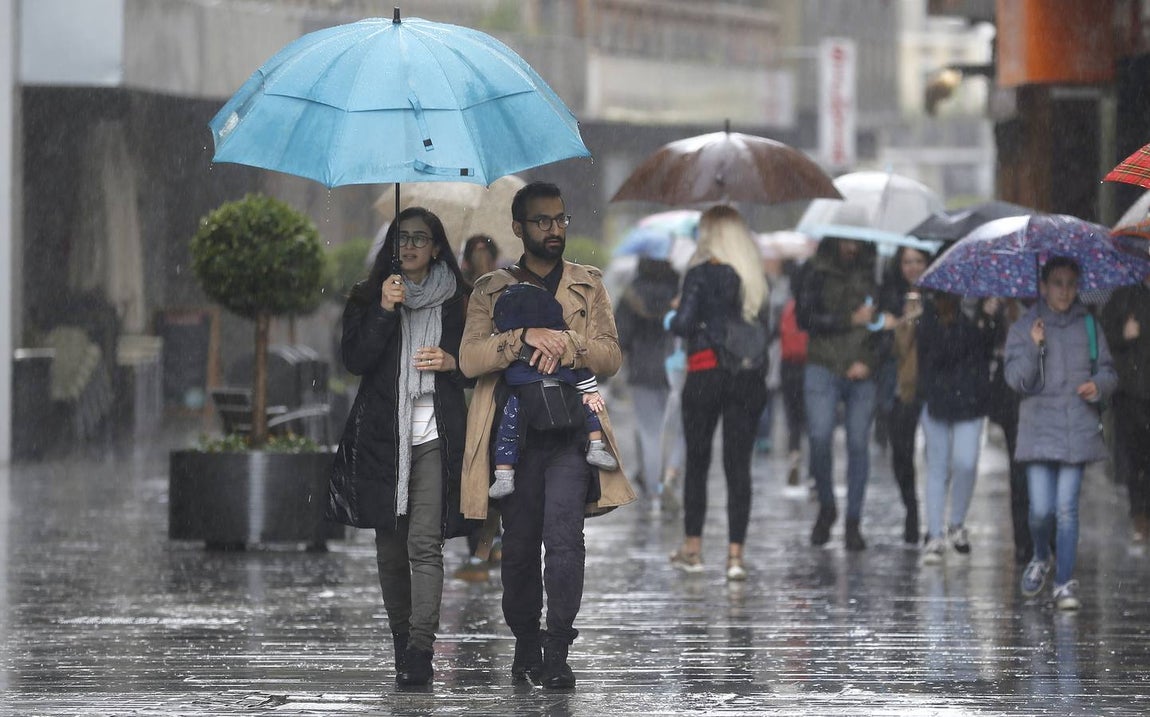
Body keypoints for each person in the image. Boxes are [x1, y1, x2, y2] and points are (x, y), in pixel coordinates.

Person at [458, 181, 635, 690]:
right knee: (517, 548)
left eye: (561, 219)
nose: (554, 229)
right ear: (518, 228)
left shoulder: (588, 284)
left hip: (571, 435)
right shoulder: (490, 289)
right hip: (512, 440)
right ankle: (525, 640)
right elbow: (469, 360)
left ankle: (557, 647)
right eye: (542, 221)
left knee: (564, 541)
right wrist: (521, 338)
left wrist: (567, 343)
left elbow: (610, 356)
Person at [327, 207, 474, 686]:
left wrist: (453, 362)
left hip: (436, 435)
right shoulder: (368, 295)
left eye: (419, 238)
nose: (409, 246)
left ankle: (420, 650)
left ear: (436, 247)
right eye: (401, 238)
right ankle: (401, 638)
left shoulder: (460, 300)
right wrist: (383, 311)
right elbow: (355, 359)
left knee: (424, 544)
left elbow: (477, 362)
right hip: (383, 439)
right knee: (390, 551)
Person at [1006, 257, 1117, 610]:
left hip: (1077, 429)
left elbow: (1109, 372)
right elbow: (1017, 381)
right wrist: (1034, 345)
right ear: (1043, 286)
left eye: (1071, 283)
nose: (1065, 291)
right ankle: (1040, 555)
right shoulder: (1024, 326)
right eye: (1057, 283)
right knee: (1041, 510)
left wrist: (1098, 385)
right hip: (1038, 429)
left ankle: (1064, 582)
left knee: (1067, 509)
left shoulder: (1089, 326)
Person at [666, 205, 770, 581]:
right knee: (738, 467)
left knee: (698, 463)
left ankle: (693, 549)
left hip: (705, 372)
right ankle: (735, 556)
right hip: (746, 378)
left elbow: (683, 325)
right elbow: (765, 330)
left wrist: (676, 311)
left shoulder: (701, 273)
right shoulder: (754, 276)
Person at [797, 234, 893, 550]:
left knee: (857, 443)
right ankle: (827, 505)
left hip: (862, 370)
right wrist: (847, 319)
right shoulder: (815, 269)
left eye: (856, 242)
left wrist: (870, 361)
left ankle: (853, 520)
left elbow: (888, 326)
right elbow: (804, 317)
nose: (851, 248)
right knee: (819, 436)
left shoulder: (878, 271)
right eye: (845, 242)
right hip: (823, 363)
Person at [488, 281, 618, 499]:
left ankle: (596, 447)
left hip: (560, 412)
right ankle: (504, 475)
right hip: (525, 402)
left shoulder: (588, 289)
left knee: (585, 407)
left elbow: (607, 360)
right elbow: (476, 356)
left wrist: (588, 389)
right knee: (509, 429)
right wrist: (521, 336)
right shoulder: (494, 294)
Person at [916, 292, 997, 564]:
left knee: (966, 462)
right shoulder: (931, 313)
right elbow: (935, 353)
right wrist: (963, 326)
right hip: (937, 399)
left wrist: (988, 321)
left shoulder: (984, 310)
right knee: (937, 466)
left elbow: (988, 351)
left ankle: (957, 523)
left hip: (971, 399)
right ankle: (934, 533)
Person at [615, 256, 680, 503]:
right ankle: (670, 477)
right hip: (674, 368)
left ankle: (654, 490)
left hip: (642, 370)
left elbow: (620, 335)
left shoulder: (632, 294)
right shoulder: (678, 292)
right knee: (672, 431)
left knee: (649, 432)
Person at [879, 247, 931, 544]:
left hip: (930, 384)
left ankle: (932, 518)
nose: (913, 267)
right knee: (901, 452)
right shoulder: (889, 297)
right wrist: (898, 324)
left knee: (935, 454)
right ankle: (911, 506)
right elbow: (882, 346)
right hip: (898, 385)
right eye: (907, 261)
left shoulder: (938, 296)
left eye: (918, 261)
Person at [1100, 271, 1150, 542]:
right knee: (1136, 454)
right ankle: (1139, 513)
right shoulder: (1124, 297)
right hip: (1131, 392)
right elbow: (1105, 338)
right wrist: (1123, 334)